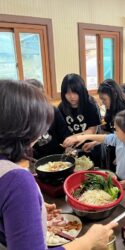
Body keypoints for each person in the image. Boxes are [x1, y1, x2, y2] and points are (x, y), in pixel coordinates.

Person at [0, 80, 117, 250]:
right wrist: (88, 242)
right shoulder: (17, 180)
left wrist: (31, 209)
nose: (41, 135)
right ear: (24, 128)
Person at [63, 107, 125, 190]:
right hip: (121, 181)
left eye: (116, 130)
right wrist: (86, 137)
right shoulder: (122, 139)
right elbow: (106, 138)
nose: (115, 132)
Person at [58, 73, 101, 166]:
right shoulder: (61, 107)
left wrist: (75, 137)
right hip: (73, 151)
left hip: (90, 147)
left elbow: (92, 130)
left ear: (81, 91)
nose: (72, 96)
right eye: (68, 92)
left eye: (75, 92)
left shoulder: (90, 105)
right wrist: (68, 145)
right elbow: (63, 130)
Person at [26, 79, 71, 159]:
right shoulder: (24, 116)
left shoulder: (53, 111)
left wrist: (68, 146)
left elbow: (64, 133)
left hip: (59, 155)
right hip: (36, 159)